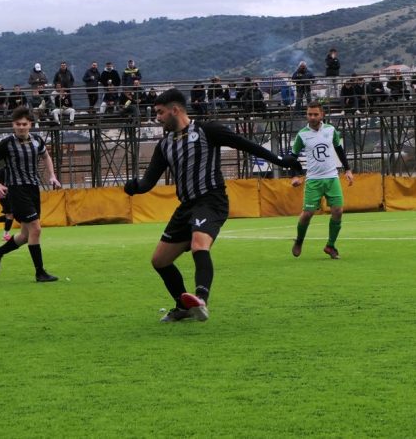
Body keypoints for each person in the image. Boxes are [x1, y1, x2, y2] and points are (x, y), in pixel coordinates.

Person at [123, 89, 299, 322]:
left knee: (199, 245)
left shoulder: (207, 130)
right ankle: (183, 307)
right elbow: (148, 182)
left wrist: (278, 160)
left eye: (160, 112)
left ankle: (201, 299)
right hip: (186, 206)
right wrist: (134, 186)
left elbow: (244, 145)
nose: (157, 117)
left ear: (175, 110)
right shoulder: (164, 144)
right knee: (160, 261)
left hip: (211, 200)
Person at [0, 107, 62, 282]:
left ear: (30, 125)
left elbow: (46, 156)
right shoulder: (7, 143)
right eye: (18, 124)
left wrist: (52, 175)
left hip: (33, 188)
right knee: (36, 229)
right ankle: (40, 272)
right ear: (13, 125)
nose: (21, 127)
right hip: (17, 191)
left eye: (24, 124)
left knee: (25, 235)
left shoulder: (37, 140)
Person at [289, 102, 354, 260]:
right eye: (309, 114)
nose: (312, 117)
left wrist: (347, 169)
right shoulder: (302, 134)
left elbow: (339, 149)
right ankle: (299, 240)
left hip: (332, 178)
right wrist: (296, 175)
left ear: (322, 115)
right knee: (307, 214)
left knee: (338, 211)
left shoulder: (330, 130)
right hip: (313, 180)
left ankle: (330, 246)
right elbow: (293, 157)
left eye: (315, 114)